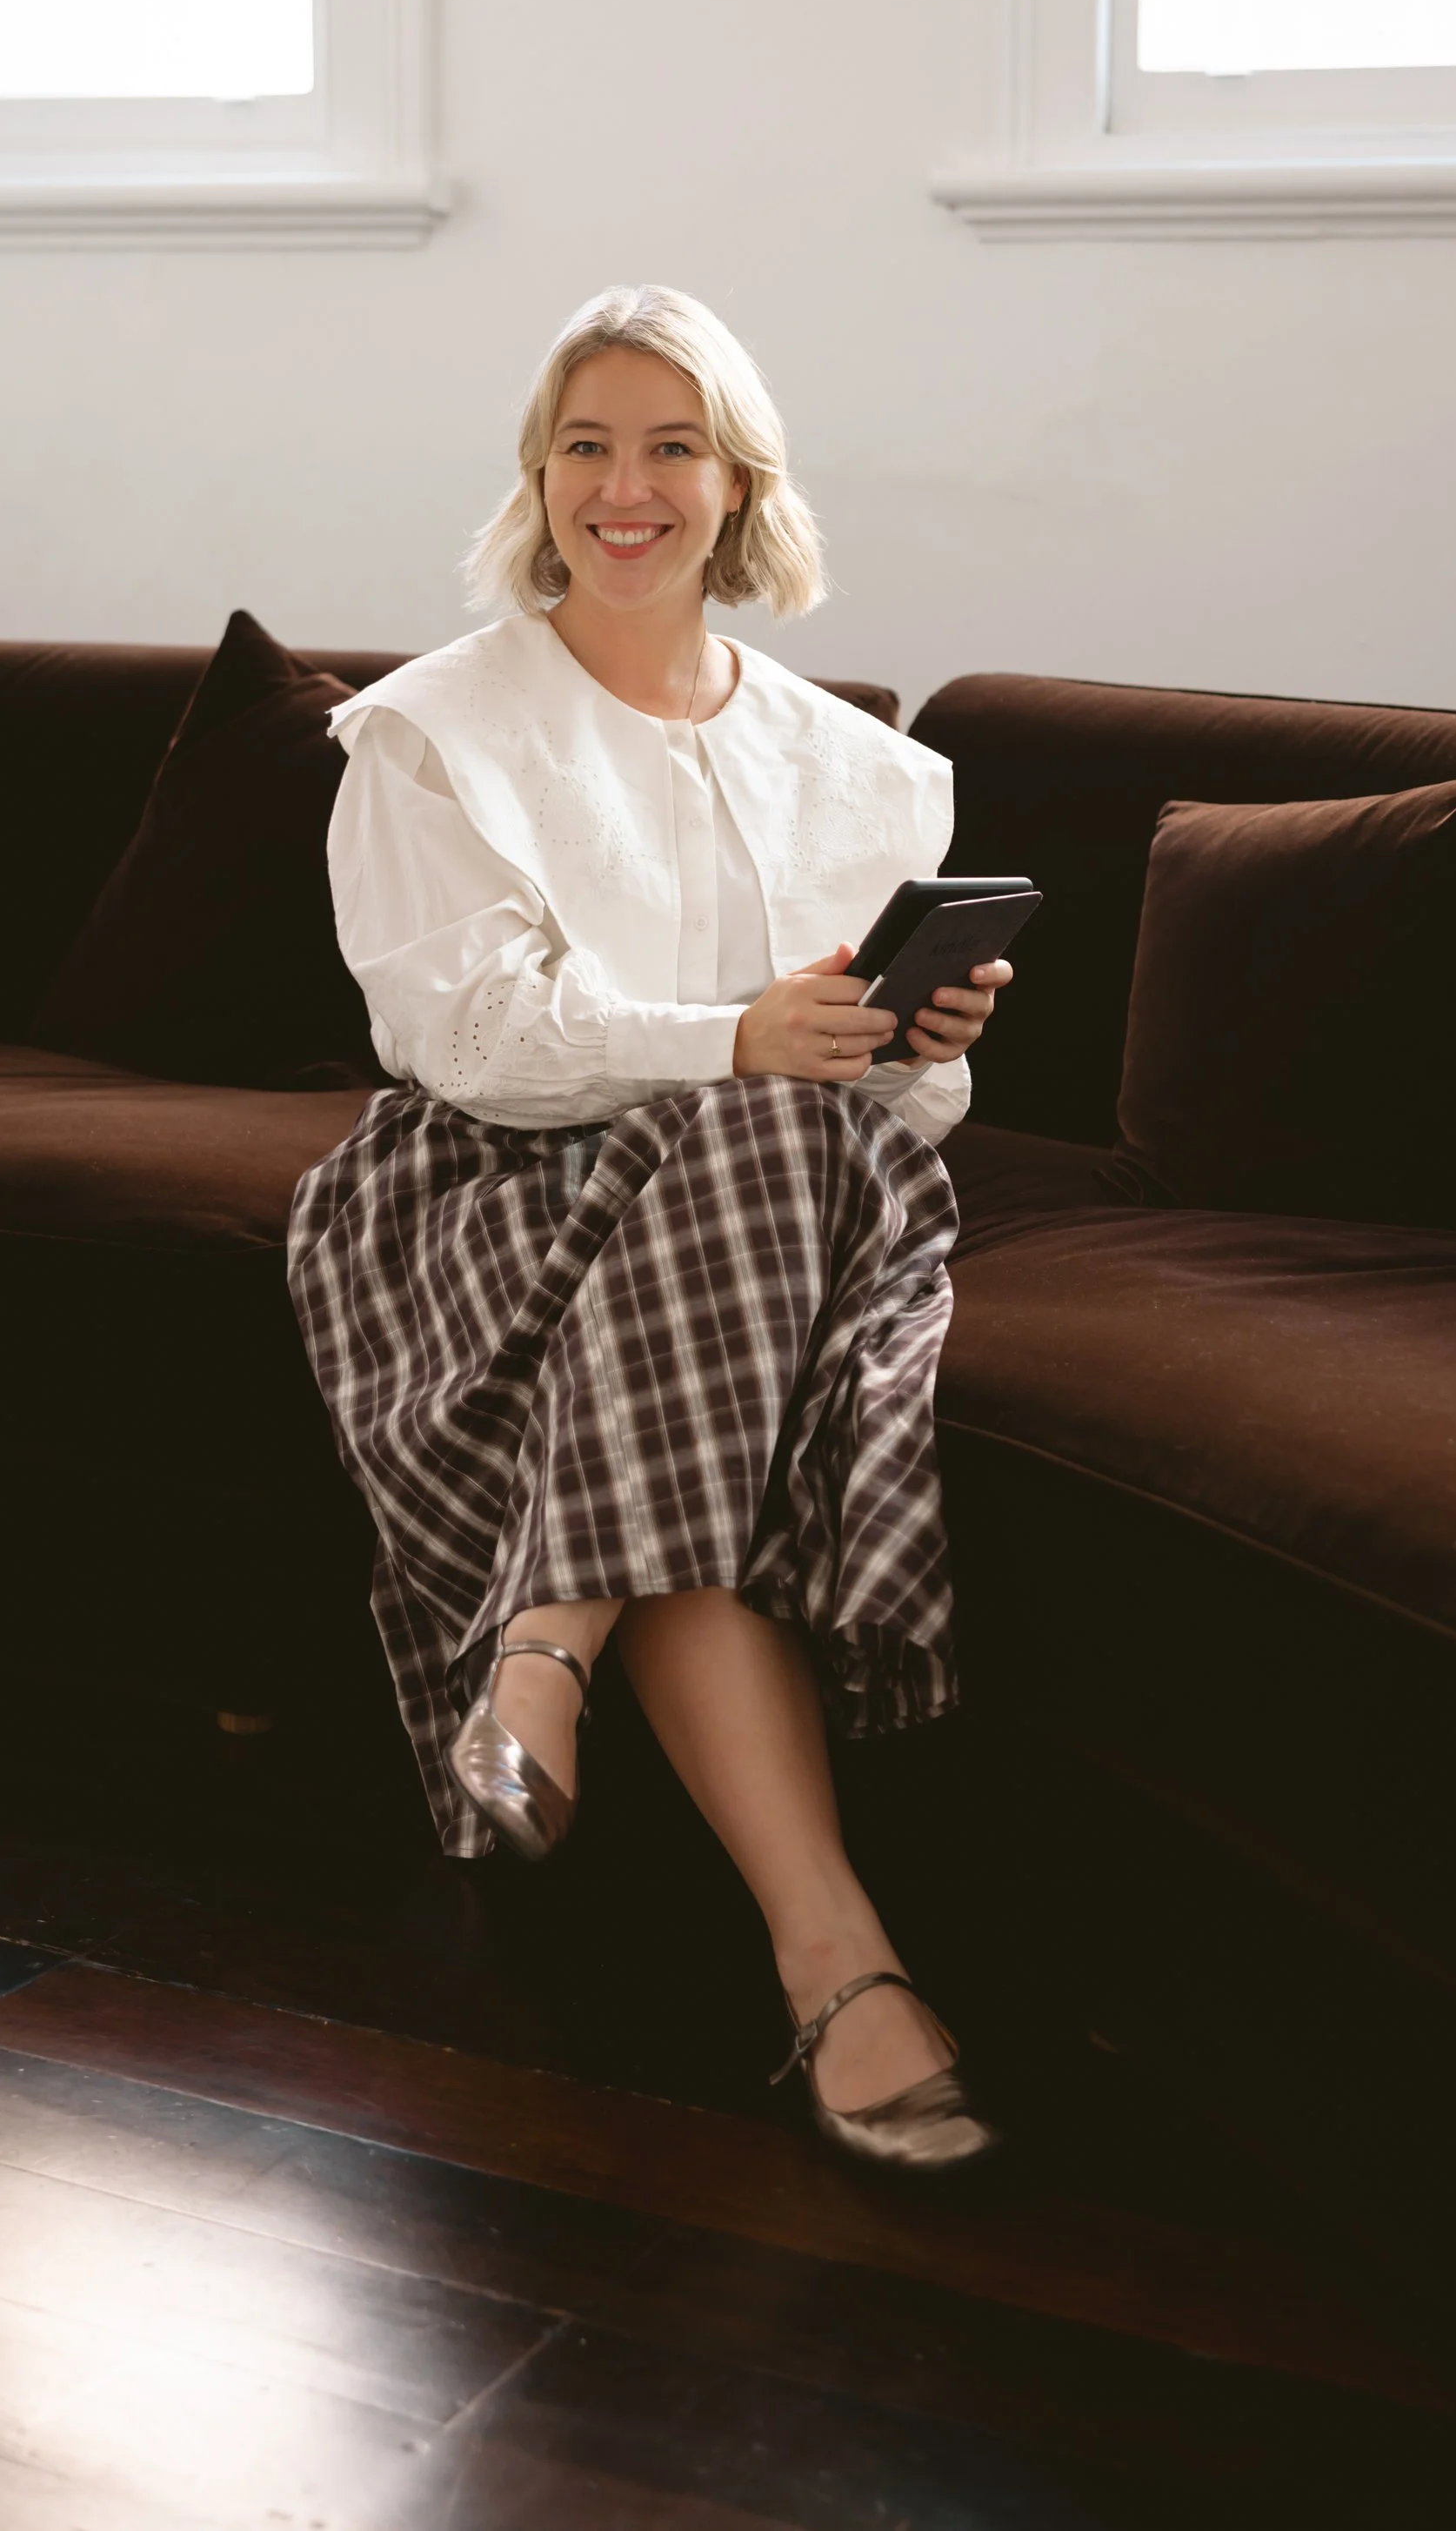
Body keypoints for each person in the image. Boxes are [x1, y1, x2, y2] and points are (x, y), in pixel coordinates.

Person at [288, 285, 1012, 2171]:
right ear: (538, 479)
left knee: (775, 1142)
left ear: (736, 481)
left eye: (671, 443)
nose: (628, 485)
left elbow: (905, 1120)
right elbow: (458, 1039)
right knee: (755, 1136)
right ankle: (837, 1963)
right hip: (493, 1178)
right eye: (587, 444)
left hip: (780, 1212)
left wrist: (906, 1041)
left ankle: (543, 1638)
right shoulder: (426, 733)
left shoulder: (869, 773)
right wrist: (739, 1040)